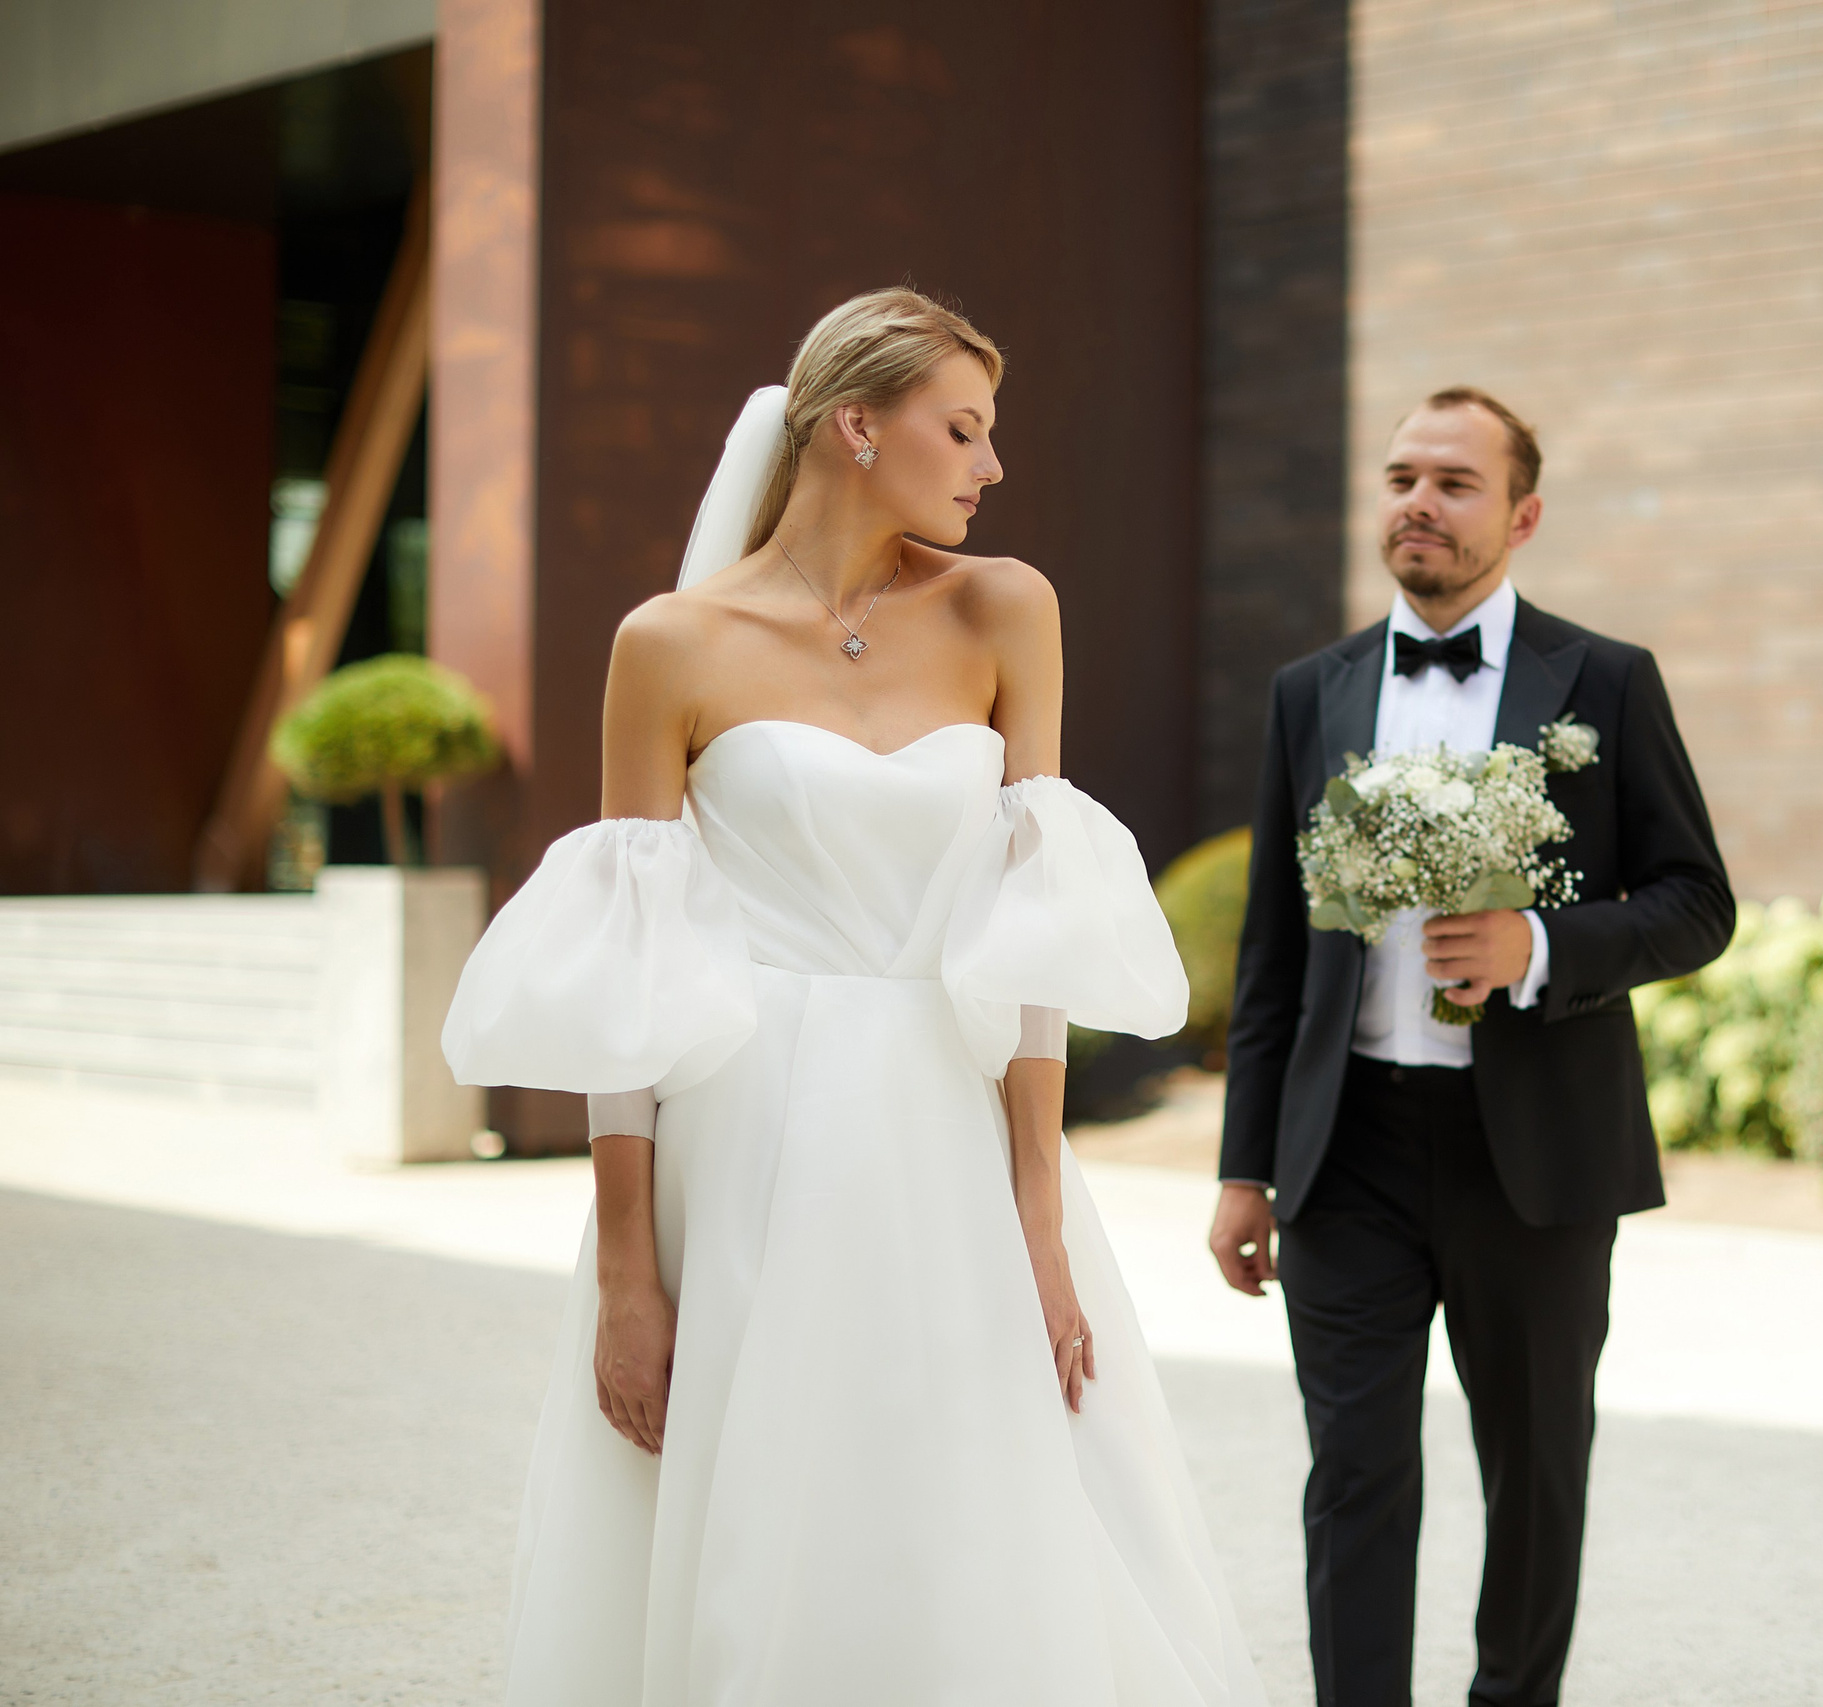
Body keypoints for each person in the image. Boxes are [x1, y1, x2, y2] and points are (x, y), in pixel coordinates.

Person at [443, 288, 1267, 1706]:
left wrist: (1039, 1215)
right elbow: (633, 969)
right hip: (739, 1133)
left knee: (983, 1498)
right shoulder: (669, 643)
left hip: (946, 1130)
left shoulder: (1007, 608)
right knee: (758, 1506)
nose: (992, 465)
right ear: (855, 427)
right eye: (964, 428)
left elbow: (1032, 935)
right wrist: (629, 1269)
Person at [1209, 388, 1733, 1707]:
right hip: (1347, 1151)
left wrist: (1538, 946)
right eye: (1401, 478)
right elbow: (1273, 954)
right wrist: (1244, 1168)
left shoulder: (1606, 682)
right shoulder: (1309, 692)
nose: (1419, 503)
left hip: (1536, 1156)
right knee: (1355, 1474)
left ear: (1523, 515)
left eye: (1454, 482)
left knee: (1536, 1471)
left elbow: (1697, 903)